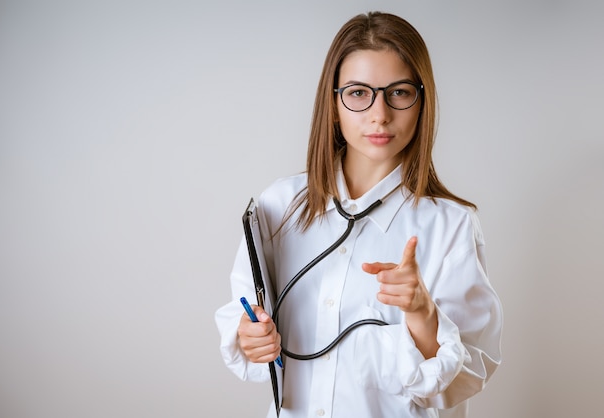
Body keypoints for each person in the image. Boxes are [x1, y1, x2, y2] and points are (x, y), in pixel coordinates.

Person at [215, 11, 502, 418]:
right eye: (358, 93)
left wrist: (423, 314)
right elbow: (243, 314)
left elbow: (469, 374)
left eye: (399, 92)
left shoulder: (450, 226)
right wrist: (249, 338)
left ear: (422, 101)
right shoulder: (278, 205)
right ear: (333, 104)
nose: (379, 114)